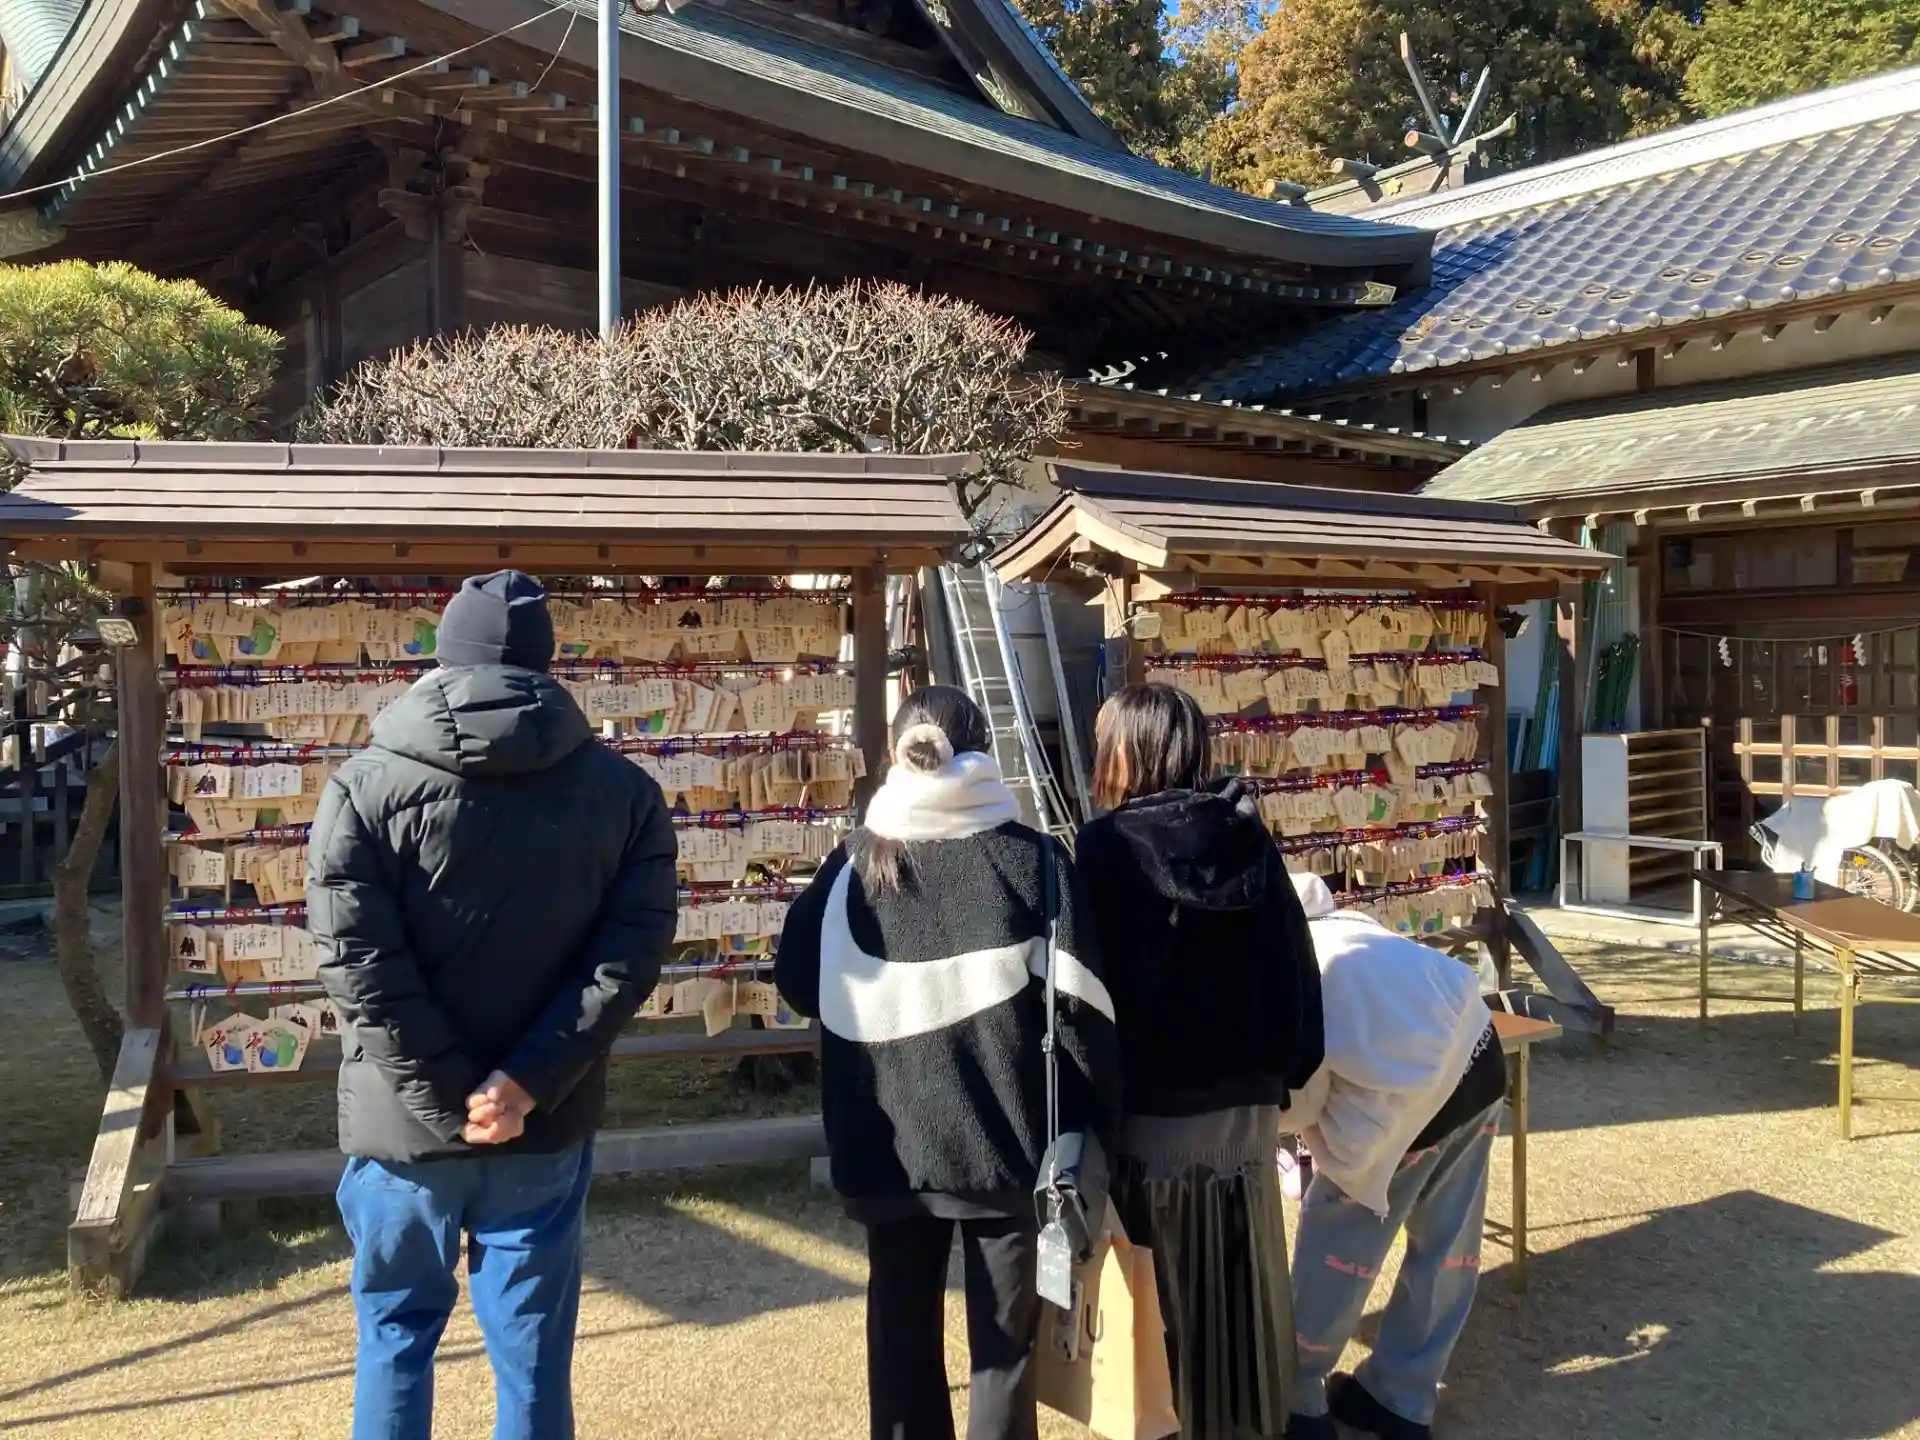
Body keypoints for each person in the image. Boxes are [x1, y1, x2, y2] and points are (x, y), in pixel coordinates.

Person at [308, 570, 678, 1440]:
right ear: (547, 663)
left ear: (444, 658)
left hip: (402, 1126)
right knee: (533, 1349)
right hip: (539, 1122)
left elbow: (357, 963)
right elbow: (628, 956)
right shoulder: (625, 794)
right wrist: (522, 1084)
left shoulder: (363, 787)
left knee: (394, 1337)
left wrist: (446, 1095)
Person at [774, 685, 1120, 1440]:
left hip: (884, 1144)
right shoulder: (1033, 860)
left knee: (899, 1339)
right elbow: (1083, 1010)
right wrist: (1096, 1122)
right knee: (1004, 1361)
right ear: (981, 752)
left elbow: (797, 982)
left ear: (898, 754)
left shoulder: (851, 863)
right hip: (1007, 1143)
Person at [1071, 681, 1324, 1440]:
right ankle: (1249, 1421)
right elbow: (1295, 965)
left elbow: (1088, 993)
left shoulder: (1105, 848)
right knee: (1241, 1288)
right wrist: (1288, 1072)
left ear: (1125, 752)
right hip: (1246, 1109)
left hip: (1151, 1113)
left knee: (1160, 1302)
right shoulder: (1247, 834)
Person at [1280, 873, 1508, 1440]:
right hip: (1480, 1053)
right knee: (1447, 1246)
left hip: (1408, 1104)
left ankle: (1297, 1397)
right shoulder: (1348, 926)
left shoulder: (1289, 966)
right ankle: (1402, 1398)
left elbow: (1303, 1091)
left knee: (1337, 1246)